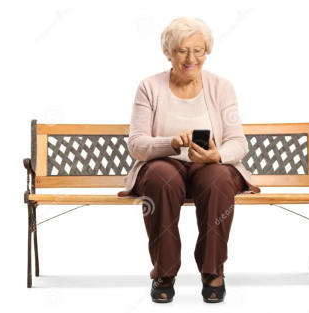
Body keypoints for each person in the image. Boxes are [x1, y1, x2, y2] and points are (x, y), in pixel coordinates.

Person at [117, 16, 261, 303]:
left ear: (207, 52)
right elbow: (137, 144)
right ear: (169, 52)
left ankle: (213, 271)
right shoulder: (149, 87)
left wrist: (216, 155)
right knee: (160, 177)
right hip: (164, 165)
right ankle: (164, 272)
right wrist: (170, 143)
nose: (191, 58)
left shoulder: (222, 87)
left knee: (219, 178)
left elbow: (238, 142)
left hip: (208, 165)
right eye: (182, 50)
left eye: (198, 50)